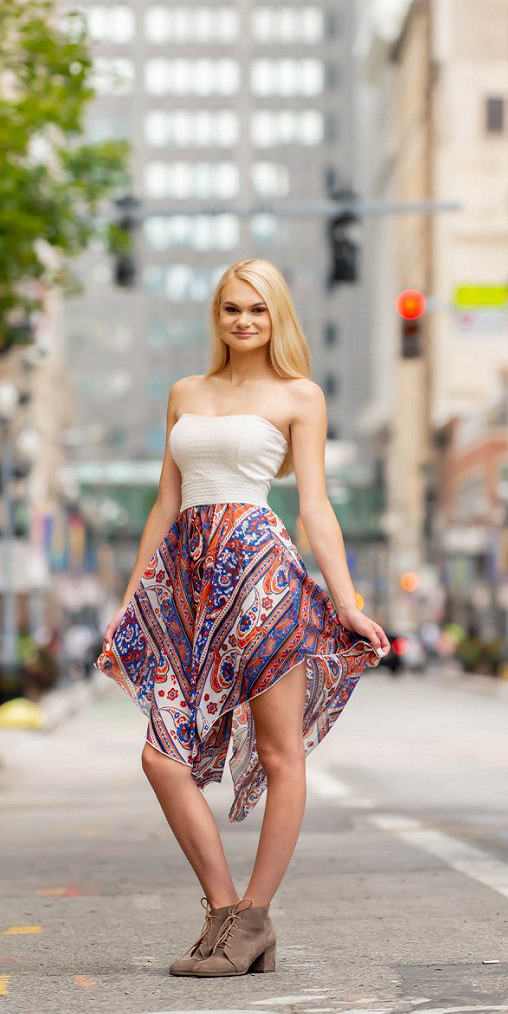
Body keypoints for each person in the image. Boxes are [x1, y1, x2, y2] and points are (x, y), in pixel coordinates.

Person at [100, 260, 387, 977]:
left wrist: (346, 600)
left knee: (281, 750)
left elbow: (315, 504)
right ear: (217, 316)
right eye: (232, 309)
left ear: (276, 316)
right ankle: (227, 911)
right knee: (161, 756)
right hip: (190, 585)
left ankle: (253, 914)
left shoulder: (300, 395)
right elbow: (165, 504)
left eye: (257, 310)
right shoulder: (185, 393)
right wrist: (136, 598)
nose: (244, 321)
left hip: (262, 579)